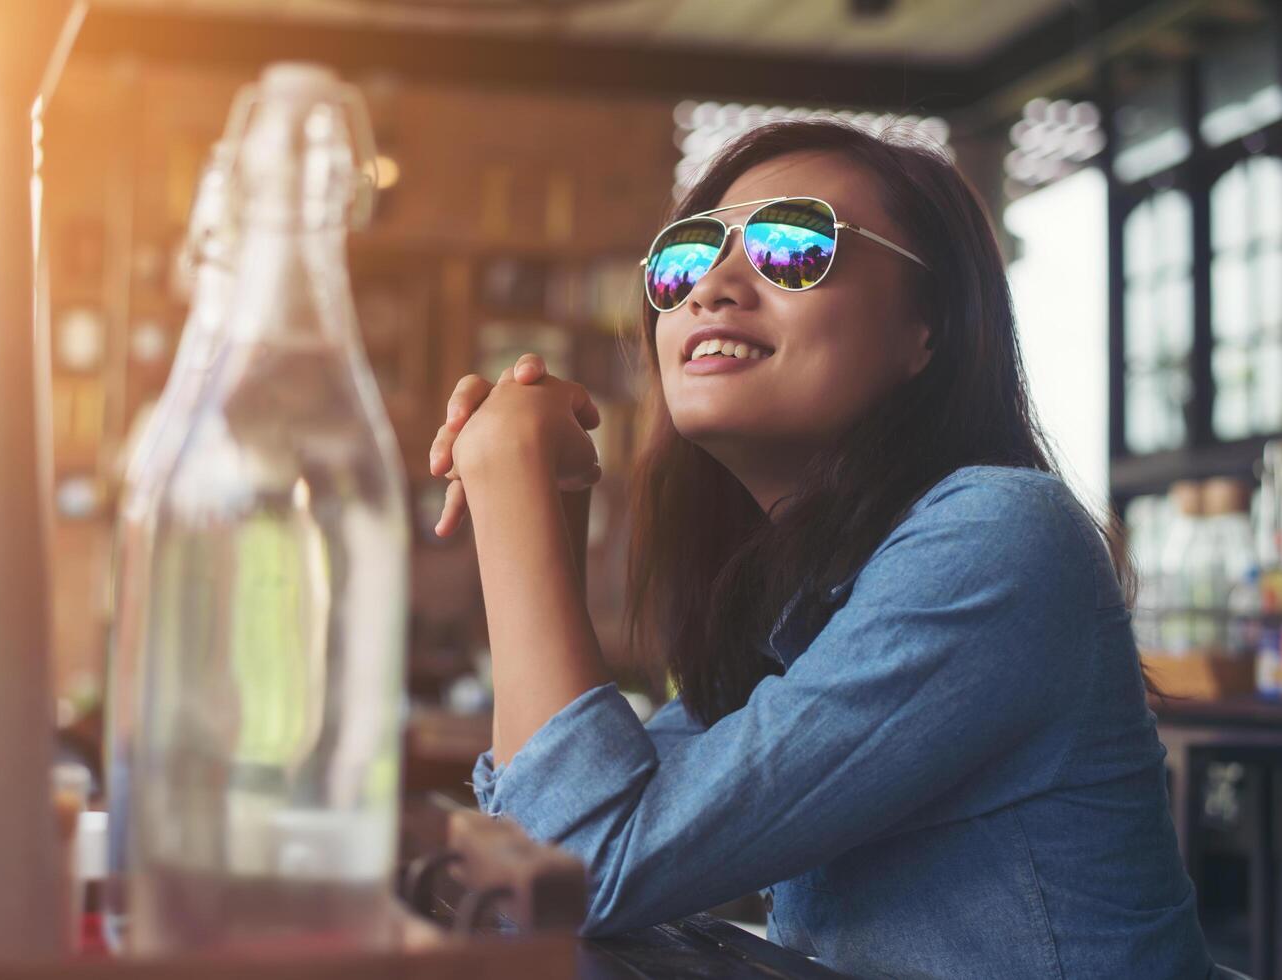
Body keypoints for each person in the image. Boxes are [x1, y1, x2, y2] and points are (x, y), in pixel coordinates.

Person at [425, 120, 1214, 979]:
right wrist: (558, 497)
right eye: (684, 258)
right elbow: (545, 849)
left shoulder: (999, 536)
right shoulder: (798, 598)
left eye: (791, 245)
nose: (713, 286)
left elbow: (576, 869)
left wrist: (512, 489)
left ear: (928, 328)